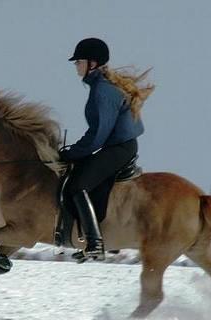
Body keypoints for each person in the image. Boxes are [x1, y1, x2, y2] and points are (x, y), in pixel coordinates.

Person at [58, 37, 154, 262]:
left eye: (78, 61)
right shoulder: (100, 86)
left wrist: (72, 152)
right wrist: (75, 150)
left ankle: (95, 243)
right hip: (116, 146)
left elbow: (98, 135)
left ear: (92, 63)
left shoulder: (103, 91)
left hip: (119, 148)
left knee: (77, 185)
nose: (76, 66)